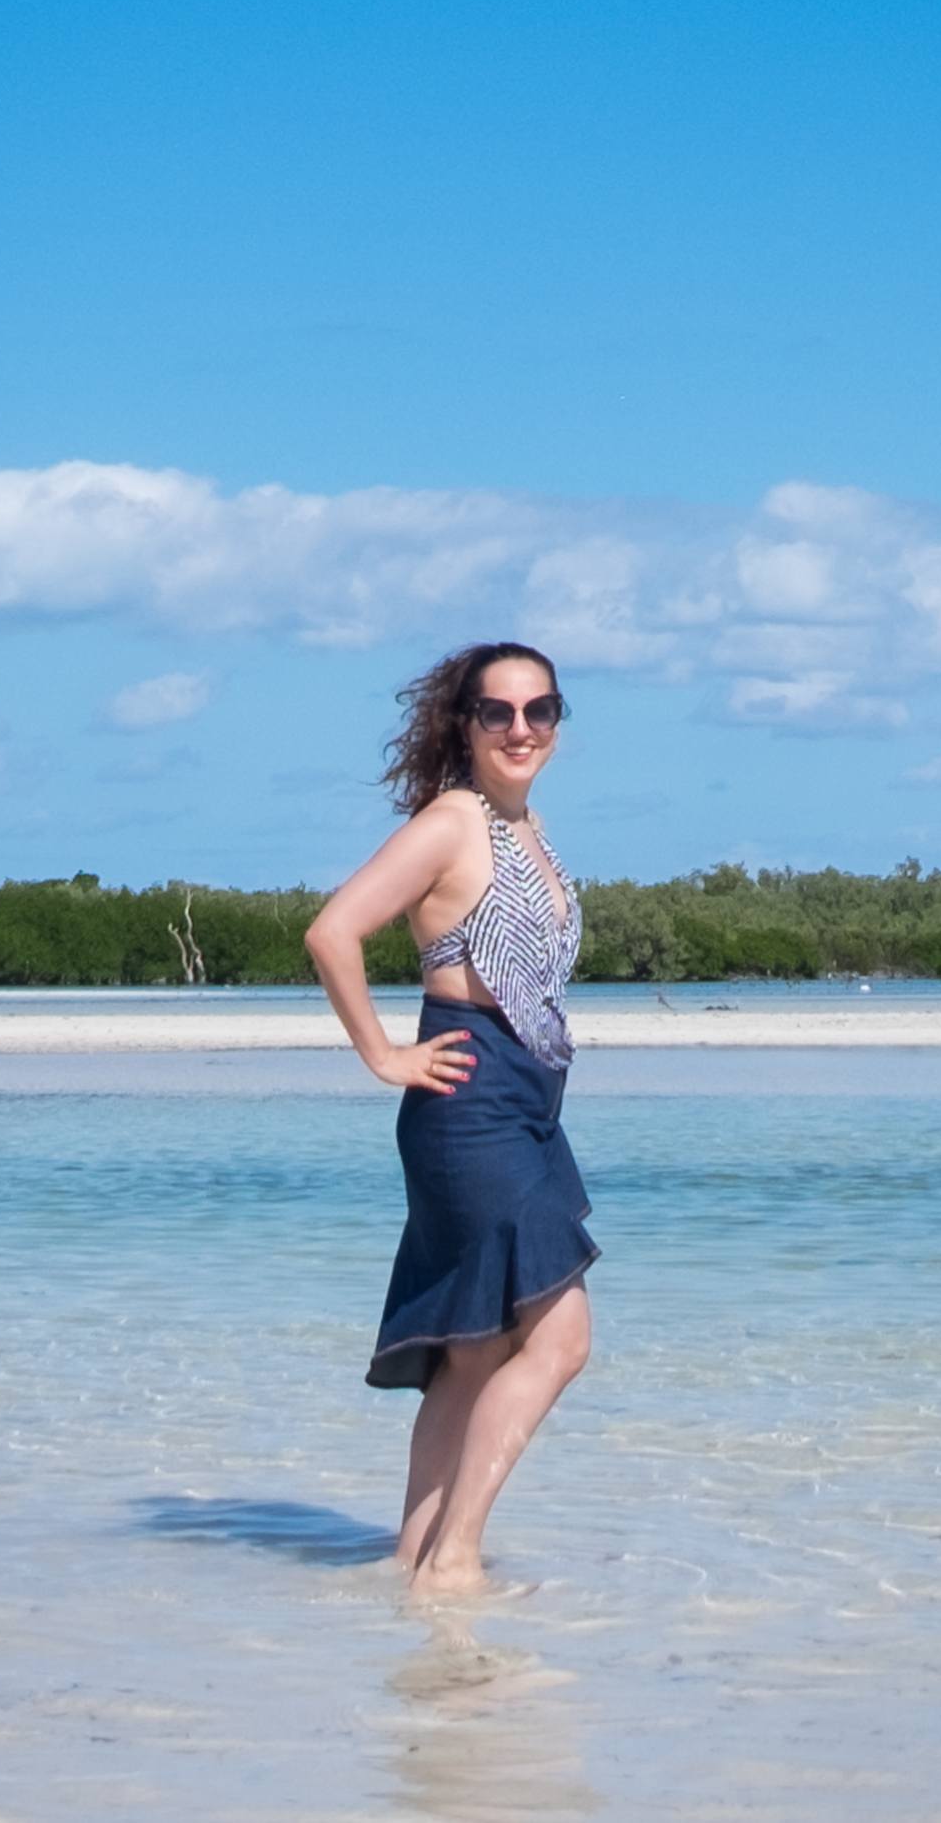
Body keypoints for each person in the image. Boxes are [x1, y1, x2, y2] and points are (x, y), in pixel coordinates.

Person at [304, 640, 597, 1597]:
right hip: (466, 1099)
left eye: (539, 711)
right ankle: (456, 1561)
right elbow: (333, 930)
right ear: (462, 726)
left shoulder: (527, 829)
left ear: (557, 721)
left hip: (526, 1105)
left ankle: (411, 1562)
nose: (520, 729)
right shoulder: (455, 822)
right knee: (560, 1339)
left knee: (474, 1352)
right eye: (497, 712)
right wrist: (384, 1055)